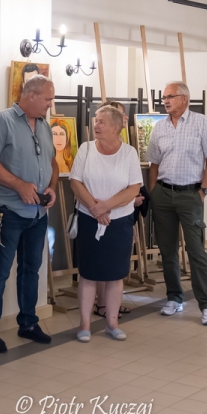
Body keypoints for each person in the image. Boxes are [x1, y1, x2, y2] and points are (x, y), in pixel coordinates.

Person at [0, 75, 58, 352]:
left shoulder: (44, 125)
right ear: (31, 95)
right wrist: (18, 185)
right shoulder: (1, 121)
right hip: (8, 212)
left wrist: (52, 187)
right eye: (48, 99)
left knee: (31, 270)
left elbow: (52, 161)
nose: (50, 104)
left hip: (38, 214)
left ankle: (28, 323)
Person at [147, 81, 207, 326]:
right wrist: (153, 191)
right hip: (163, 194)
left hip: (191, 195)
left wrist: (203, 190)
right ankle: (174, 297)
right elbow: (154, 163)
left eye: (171, 96)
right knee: (167, 250)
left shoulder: (201, 123)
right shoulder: (160, 127)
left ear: (185, 99)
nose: (166, 101)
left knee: (196, 251)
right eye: (164, 97)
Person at [71, 105, 142, 342]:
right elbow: (75, 182)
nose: (96, 125)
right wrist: (95, 207)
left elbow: (134, 188)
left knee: (115, 274)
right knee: (88, 273)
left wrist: (107, 206)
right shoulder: (86, 149)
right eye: (96, 120)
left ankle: (112, 324)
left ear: (116, 127)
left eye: (102, 121)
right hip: (89, 218)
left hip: (119, 221)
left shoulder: (129, 153)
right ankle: (84, 325)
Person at [92, 100, 147, 320]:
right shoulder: (92, 149)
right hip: (98, 213)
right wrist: (103, 207)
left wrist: (132, 198)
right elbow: (91, 184)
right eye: (119, 116)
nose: (124, 120)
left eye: (124, 116)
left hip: (123, 214)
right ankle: (101, 303)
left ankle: (113, 303)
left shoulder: (128, 150)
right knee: (100, 260)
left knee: (117, 261)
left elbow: (133, 184)